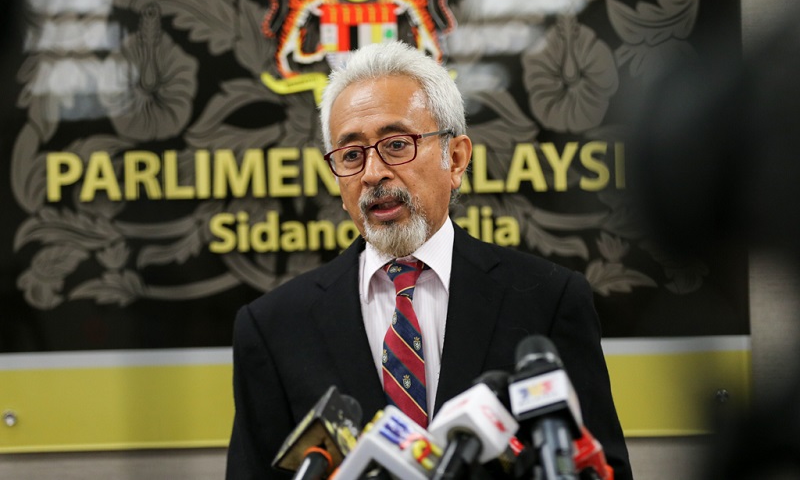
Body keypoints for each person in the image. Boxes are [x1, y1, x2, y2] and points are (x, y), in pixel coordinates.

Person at [226, 41, 632, 479]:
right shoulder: (273, 327)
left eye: (396, 144)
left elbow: (602, 469)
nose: (372, 173)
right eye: (351, 155)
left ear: (455, 158)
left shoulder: (549, 300)